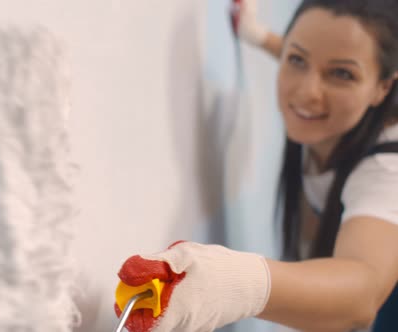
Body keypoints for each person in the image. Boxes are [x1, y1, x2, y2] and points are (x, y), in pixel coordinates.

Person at [114, 0, 398, 331]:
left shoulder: (387, 170)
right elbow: (317, 53)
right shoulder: (339, 89)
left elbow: (364, 294)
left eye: (341, 73)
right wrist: (256, 34)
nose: (307, 92)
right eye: (296, 59)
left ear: (383, 87)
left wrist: (233, 282)